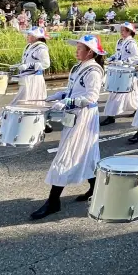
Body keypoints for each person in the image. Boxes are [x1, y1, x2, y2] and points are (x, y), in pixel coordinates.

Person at [31, 34, 105, 219]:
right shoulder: (78, 67)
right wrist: (61, 95)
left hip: (85, 117)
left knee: (67, 155)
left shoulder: (94, 71)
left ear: (90, 52)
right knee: (86, 154)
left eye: (80, 48)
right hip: (75, 115)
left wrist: (68, 102)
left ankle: (53, 201)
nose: (77, 50)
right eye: (78, 46)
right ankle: (96, 189)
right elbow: (73, 89)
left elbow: (91, 97)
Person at [101, 22, 138, 126]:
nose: (121, 32)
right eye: (121, 30)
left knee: (117, 92)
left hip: (127, 71)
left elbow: (136, 57)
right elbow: (118, 54)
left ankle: (111, 115)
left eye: (123, 30)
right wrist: (111, 58)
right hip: (119, 70)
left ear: (129, 32)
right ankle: (137, 109)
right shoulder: (119, 41)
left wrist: (125, 61)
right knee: (132, 93)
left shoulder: (132, 43)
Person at [7, 26, 51, 112]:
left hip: (34, 78)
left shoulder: (41, 48)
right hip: (27, 78)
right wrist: (18, 65)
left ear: (36, 37)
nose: (27, 36)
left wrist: (28, 66)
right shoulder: (29, 46)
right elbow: (26, 61)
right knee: (25, 99)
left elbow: (46, 64)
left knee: (29, 99)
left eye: (29, 34)